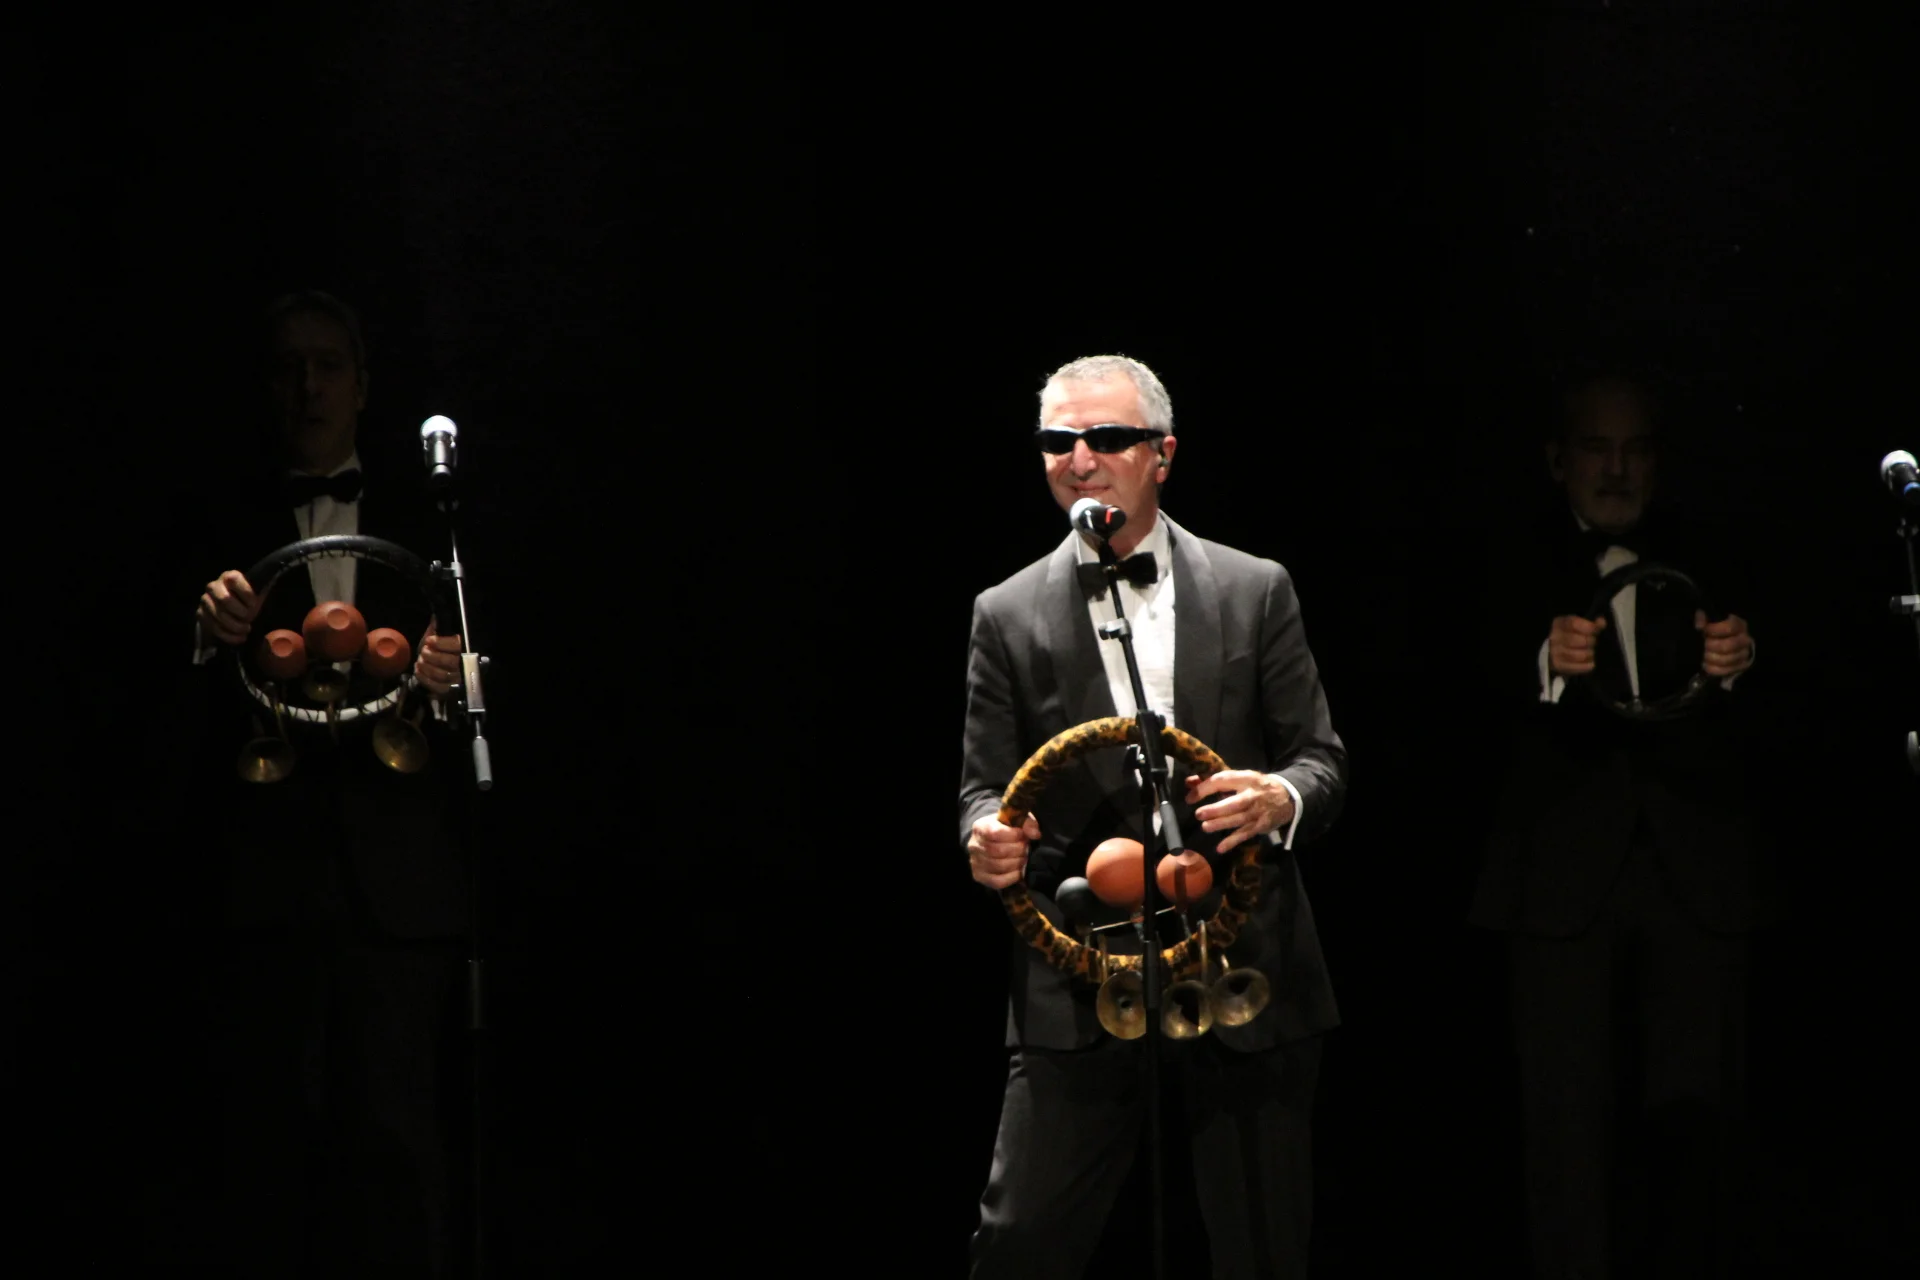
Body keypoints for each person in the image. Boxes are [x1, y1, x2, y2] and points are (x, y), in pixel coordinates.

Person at [960, 354, 1347, 1277]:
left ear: (1163, 455)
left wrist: (1280, 795)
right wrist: (985, 836)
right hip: (1082, 965)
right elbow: (983, 789)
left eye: (1107, 437)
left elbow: (1320, 760)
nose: (1080, 460)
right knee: (1022, 1244)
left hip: (1243, 955)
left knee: (1263, 1247)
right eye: (1059, 441)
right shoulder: (1004, 612)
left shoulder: (1255, 588)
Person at [1470, 369, 1781, 1279]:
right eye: (1597, 449)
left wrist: (1742, 659)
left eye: (1634, 449)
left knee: (1699, 1129)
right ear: (1558, 460)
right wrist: (1546, 661)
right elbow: (1447, 693)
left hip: (1698, 877)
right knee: (1565, 1134)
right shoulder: (1503, 555)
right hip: (1558, 882)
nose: (1616, 470)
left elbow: (1805, 692)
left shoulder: (1716, 548)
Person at [186, 291, 471, 1278]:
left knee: (400, 1149)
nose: (307, 387)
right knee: (269, 1150)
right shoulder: (218, 520)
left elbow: (491, 681)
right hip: (267, 891)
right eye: (288, 367)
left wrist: (451, 678)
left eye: (328, 365)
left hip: (399, 893)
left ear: (362, 384)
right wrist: (206, 635)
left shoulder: (428, 527)